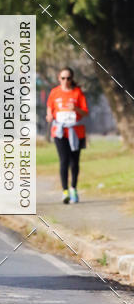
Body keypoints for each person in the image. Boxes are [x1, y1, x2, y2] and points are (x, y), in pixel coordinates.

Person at [46, 67, 88, 203]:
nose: (65, 81)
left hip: (76, 132)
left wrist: (75, 108)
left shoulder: (77, 93)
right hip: (60, 132)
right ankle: (65, 192)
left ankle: (73, 189)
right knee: (64, 160)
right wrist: (49, 115)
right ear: (59, 78)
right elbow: (50, 108)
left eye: (68, 78)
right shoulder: (54, 92)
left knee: (74, 162)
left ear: (72, 79)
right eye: (63, 78)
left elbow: (85, 112)